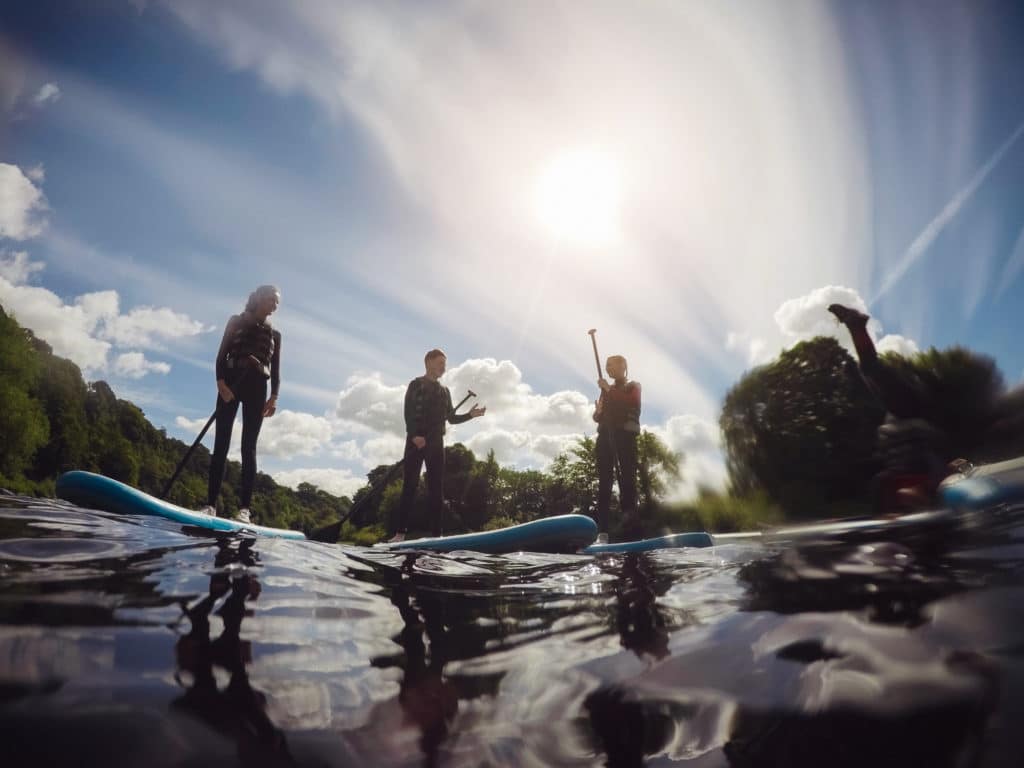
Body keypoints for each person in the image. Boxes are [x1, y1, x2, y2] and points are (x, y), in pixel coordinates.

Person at [828, 303, 947, 510]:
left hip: (908, 421)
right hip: (911, 418)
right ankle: (857, 326)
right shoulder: (904, 478)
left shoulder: (887, 482)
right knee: (869, 370)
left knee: (869, 370)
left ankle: (856, 325)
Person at [199, 285, 281, 524]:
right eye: (271, 299)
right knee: (221, 442)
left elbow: (275, 371)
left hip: (257, 388)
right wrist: (221, 383)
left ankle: (244, 509)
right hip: (232, 383)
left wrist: (274, 396)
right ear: (258, 298)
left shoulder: (275, 335)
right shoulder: (236, 321)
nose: (274, 305)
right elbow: (221, 355)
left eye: (277, 302)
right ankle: (210, 504)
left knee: (249, 447)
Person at [388, 349, 486, 542]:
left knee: (436, 488)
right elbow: (408, 411)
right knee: (410, 485)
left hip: (435, 443)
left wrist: (470, 415)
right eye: (440, 363)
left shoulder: (444, 391)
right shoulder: (416, 384)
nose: (444, 367)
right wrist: (415, 435)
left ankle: (436, 535)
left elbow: (451, 419)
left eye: (444, 364)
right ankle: (400, 534)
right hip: (415, 441)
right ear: (429, 362)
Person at [593, 354, 641, 544]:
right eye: (606, 366)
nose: (607, 369)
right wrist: (597, 413)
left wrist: (607, 389)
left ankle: (632, 530)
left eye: (611, 365)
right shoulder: (607, 390)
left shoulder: (634, 386)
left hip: (625, 438)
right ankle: (602, 532)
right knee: (604, 484)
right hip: (605, 438)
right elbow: (599, 416)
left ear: (623, 366)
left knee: (627, 482)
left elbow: (631, 402)